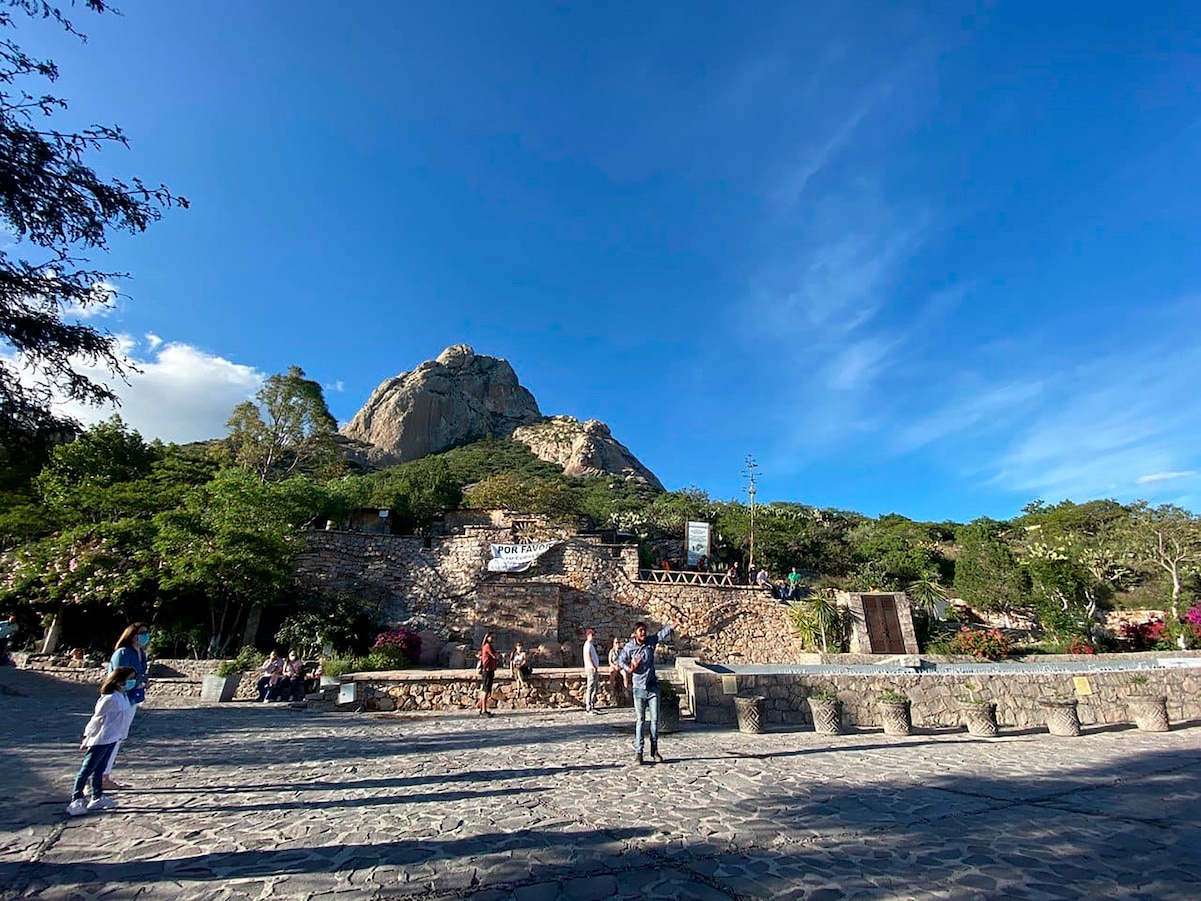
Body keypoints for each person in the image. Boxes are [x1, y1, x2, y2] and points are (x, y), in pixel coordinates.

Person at [66, 666, 137, 816]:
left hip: (113, 737)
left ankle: (96, 796)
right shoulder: (109, 698)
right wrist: (88, 736)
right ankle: (76, 799)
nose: (132, 681)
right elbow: (97, 718)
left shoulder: (123, 696)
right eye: (130, 678)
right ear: (119, 681)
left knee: (100, 769)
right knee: (87, 769)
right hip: (101, 738)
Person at [617, 620, 676, 765]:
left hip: (652, 687)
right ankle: (639, 752)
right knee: (640, 720)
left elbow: (661, 634)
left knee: (655, 720)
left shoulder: (650, 642)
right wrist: (630, 668)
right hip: (639, 688)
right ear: (635, 633)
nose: (643, 633)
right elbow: (620, 660)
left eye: (644, 630)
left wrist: (673, 625)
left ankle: (654, 750)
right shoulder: (629, 647)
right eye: (640, 630)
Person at [103, 623, 149, 791]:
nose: (145, 636)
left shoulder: (141, 654)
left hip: (132, 699)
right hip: (119, 699)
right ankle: (100, 775)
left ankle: (105, 775)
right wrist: (137, 683)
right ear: (132, 635)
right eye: (142, 633)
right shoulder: (123, 653)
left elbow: (140, 674)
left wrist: (143, 682)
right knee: (110, 736)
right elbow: (119, 677)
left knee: (119, 736)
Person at [477, 632, 498, 717]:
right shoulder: (488, 646)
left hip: (489, 670)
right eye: (491, 637)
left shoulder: (487, 646)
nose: (493, 639)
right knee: (485, 691)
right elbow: (494, 656)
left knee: (484, 690)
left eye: (494, 637)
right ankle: (483, 710)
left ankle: (482, 709)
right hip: (487, 670)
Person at [582, 628, 600, 714]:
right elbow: (588, 656)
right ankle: (588, 707)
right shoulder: (587, 645)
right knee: (590, 687)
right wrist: (593, 666)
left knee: (594, 688)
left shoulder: (591, 645)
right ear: (588, 635)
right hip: (591, 669)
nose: (593, 637)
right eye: (592, 635)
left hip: (594, 668)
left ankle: (592, 705)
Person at [607, 637, 626, 707]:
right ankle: (611, 691)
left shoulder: (622, 651)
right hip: (614, 665)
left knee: (625, 674)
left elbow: (624, 660)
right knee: (612, 675)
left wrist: (620, 666)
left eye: (618, 642)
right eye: (616, 642)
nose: (617, 644)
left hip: (620, 666)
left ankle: (625, 690)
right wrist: (614, 666)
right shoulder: (612, 651)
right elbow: (610, 661)